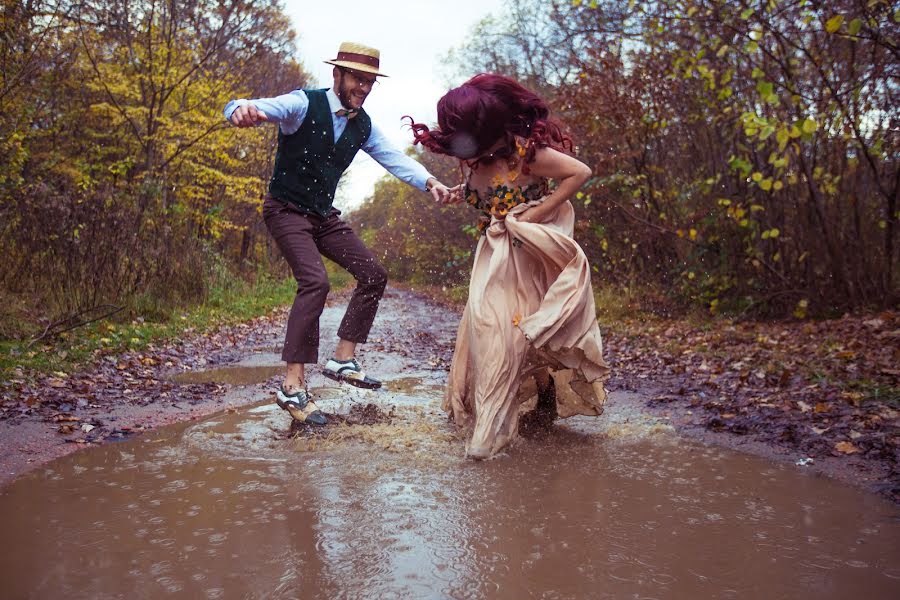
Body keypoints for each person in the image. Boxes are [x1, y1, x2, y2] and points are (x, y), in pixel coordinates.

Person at [225, 42, 452, 426]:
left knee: (373, 275)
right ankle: (292, 386)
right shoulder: (302, 104)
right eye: (357, 80)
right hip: (285, 209)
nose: (363, 88)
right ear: (338, 75)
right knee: (315, 282)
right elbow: (254, 105)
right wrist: (240, 110)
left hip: (323, 215)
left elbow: (393, 158)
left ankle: (343, 359)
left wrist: (429, 180)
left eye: (369, 83)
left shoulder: (362, 125)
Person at [407, 73, 610, 459]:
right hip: (494, 260)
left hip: (530, 259)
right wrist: (454, 193)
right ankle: (492, 425)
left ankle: (531, 410)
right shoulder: (472, 158)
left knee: (526, 333)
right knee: (491, 332)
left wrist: (537, 212)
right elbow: (479, 191)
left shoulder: (526, 154)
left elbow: (579, 172)